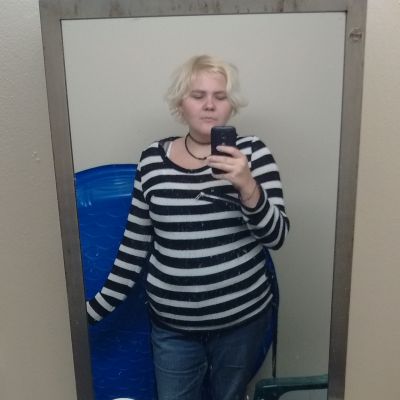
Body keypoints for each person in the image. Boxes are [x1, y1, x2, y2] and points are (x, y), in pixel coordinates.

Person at [86, 54, 290, 400]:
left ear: (231, 105)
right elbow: (134, 247)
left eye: (220, 96)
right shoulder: (152, 160)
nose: (209, 105)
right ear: (180, 103)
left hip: (243, 322)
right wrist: (90, 313)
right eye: (198, 96)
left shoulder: (253, 154)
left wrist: (247, 185)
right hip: (173, 327)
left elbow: (276, 236)